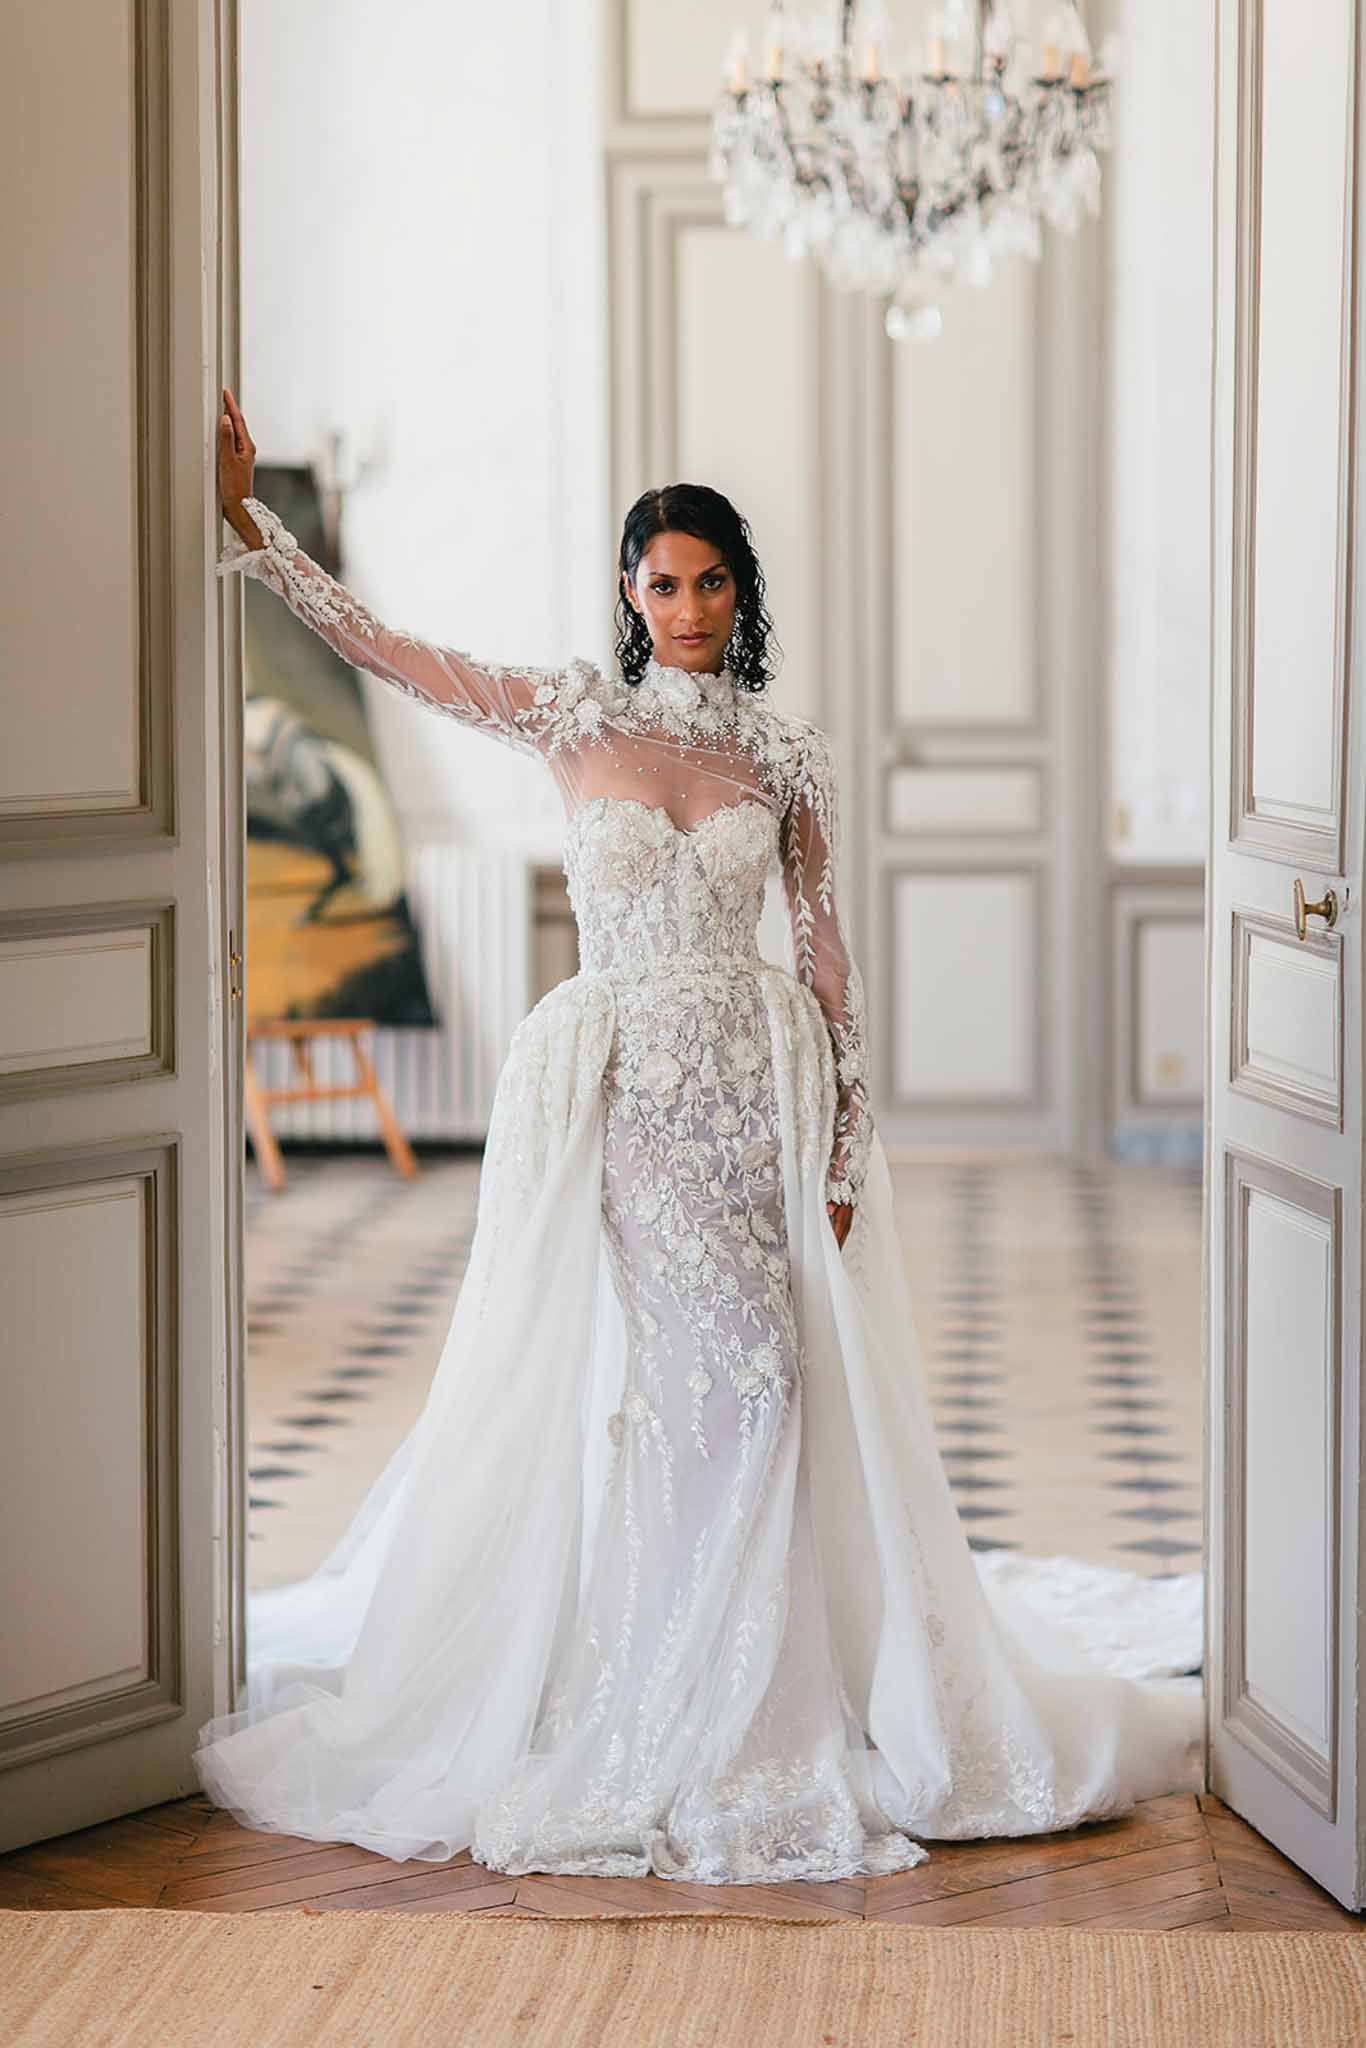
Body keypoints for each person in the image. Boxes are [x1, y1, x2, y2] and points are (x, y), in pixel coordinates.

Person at [194, 386, 1203, 1885]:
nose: (684, 606)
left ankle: (755, 1690)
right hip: (621, 1101)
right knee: (668, 1384)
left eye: (709, 581)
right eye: (660, 583)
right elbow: (378, 650)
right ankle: (643, 1678)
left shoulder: (784, 757)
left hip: (753, 1099)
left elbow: (826, 956)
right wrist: (245, 523)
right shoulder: (566, 716)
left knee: (767, 1376)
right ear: (627, 594)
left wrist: (849, 1140)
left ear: (740, 595)